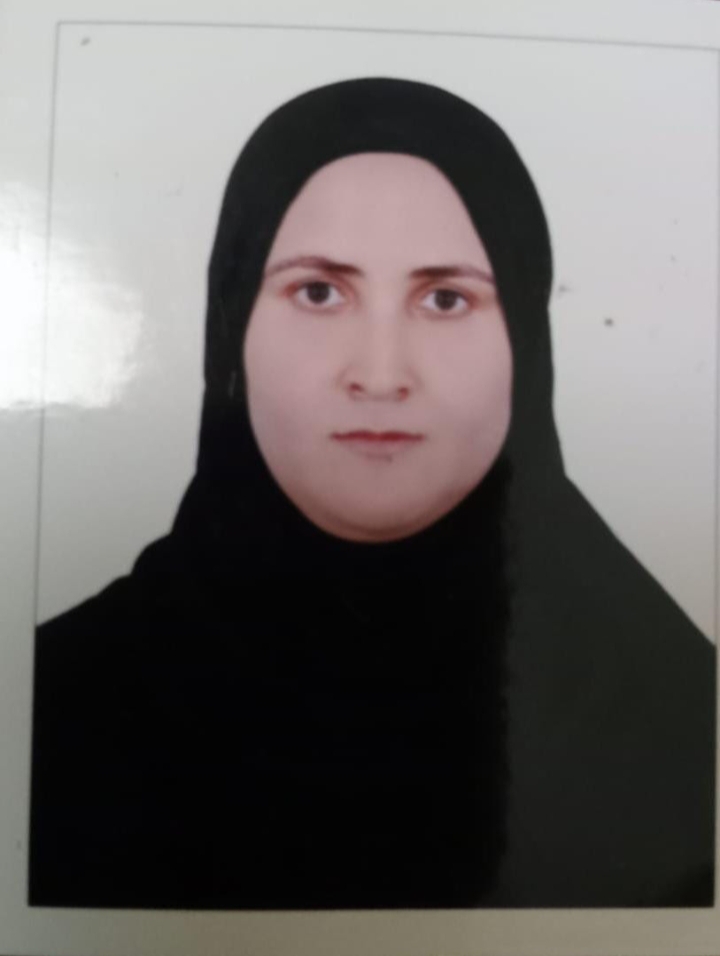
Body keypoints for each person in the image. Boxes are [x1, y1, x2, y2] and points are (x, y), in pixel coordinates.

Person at [29, 77, 716, 910]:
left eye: (445, 298)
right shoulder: (50, 707)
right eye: (319, 292)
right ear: (231, 329)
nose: (382, 375)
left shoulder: (684, 716)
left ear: (527, 344)